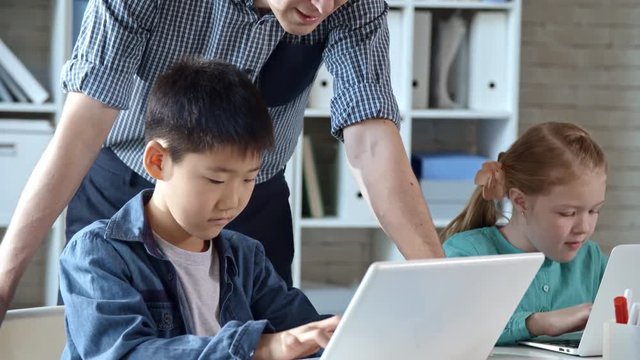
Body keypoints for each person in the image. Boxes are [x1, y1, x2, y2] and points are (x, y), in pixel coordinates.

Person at [0, 0, 444, 319]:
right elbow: (81, 128)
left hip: (257, 196)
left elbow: (370, 139)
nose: (325, 5)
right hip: (126, 187)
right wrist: (5, 276)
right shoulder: (100, 251)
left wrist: (443, 286)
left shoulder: (348, 5)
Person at [60, 58, 339, 359]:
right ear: (158, 161)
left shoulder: (246, 258)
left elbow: (308, 337)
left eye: (249, 178)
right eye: (215, 179)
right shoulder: (96, 254)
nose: (232, 201)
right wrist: (261, 348)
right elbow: (126, 354)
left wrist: (339, 336)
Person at [441, 122, 609, 345]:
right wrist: (536, 323)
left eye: (594, 210)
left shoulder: (592, 260)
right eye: (568, 213)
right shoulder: (467, 253)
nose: (584, 227)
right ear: (520, 201)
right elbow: (453, 328)